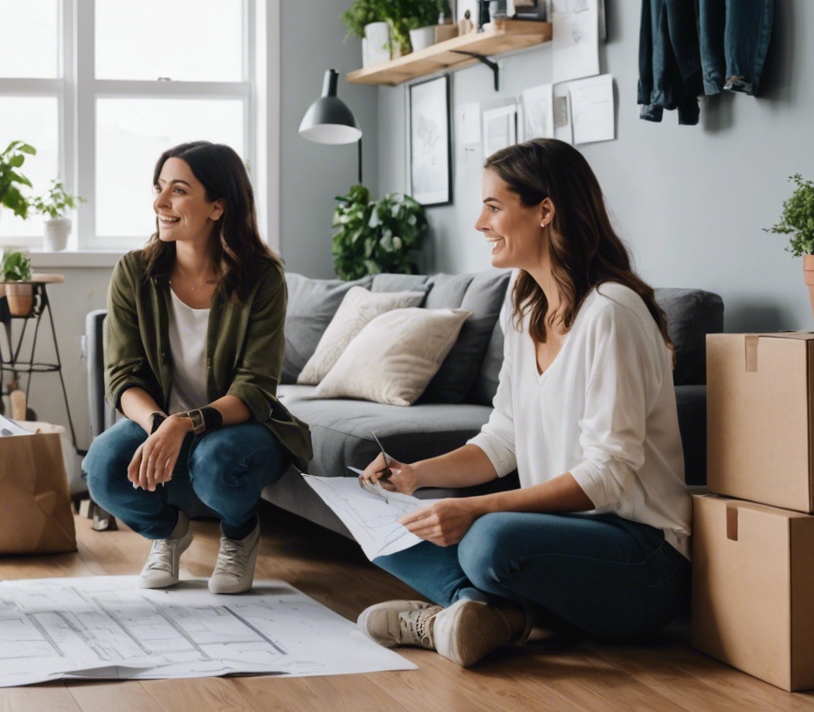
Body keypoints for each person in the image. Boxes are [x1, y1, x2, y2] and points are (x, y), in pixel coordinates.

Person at [356, 138, 691, 667]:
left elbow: (608, 476)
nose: (479, 223)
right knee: (383, 523)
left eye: (493, 206)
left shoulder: (612, 312)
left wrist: (475, 507)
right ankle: (480, 616)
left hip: (640, 555)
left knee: (488, 539)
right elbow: (503, 437)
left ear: (545, 212)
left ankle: (472, 611)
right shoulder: (523, 300)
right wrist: (415, 476)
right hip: (568, 537)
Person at [85, 141, 311, 594]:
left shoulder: (262, 276)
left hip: (240, 426)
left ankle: (240, 533)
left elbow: (255, 386)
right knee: (103, 467)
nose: (160, 203)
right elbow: (123, 375)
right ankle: (167, 533)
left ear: (217, 206)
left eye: (178, 190)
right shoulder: (134, 272)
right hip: (160, 418)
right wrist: (158, 424)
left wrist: (186, 424)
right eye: (159, 188)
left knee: (217, 459)